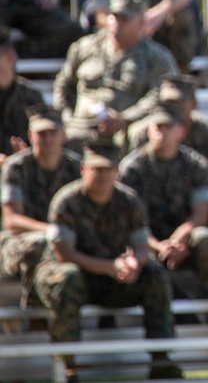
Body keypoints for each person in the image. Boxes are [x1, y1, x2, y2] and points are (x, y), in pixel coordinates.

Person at [33, 144, 182, 382]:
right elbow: (64, 254)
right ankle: (67, 366)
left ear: (117, 171)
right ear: (83, 169)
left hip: (112, 276)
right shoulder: (66, 201)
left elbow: (142, 246)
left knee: (154, 274)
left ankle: (162, 361)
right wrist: (109, 267)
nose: (102, 175)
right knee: (67, 277)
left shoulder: (129, 200)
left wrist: (134, 263)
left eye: (108, 169)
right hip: (75, 275)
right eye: (96, 169)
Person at [53, 0, 178, 155]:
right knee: (60, 140)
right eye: (114, 16)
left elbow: (159, 95)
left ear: (141, 23)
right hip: (81, 125)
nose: (117, 22)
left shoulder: (157, 58)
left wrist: (125, 119)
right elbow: (63, 85)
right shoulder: (84, 48)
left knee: (142, 136)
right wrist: (66, 117)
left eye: (125, 18)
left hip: (127, 127)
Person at [118, 105, 208, 296]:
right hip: (145, 239)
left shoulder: (196, 165)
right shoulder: (132, 169)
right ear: (148, 130)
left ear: (181, 131)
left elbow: (201, 212)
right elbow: (130, 220)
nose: (161, 133)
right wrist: (159, 246)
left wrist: (179, 238)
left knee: (204, 238)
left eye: (168, 127)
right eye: (157, 127)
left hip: (183, 240)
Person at [0, 107, 81, 306]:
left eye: (52, 133)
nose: (47, 139)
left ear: (63, 134)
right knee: (41, 243)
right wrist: (53, 231)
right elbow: (12, 221)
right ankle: (36, 309)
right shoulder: (16, 168)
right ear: (30, 135)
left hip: (66, 240)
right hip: (17, 243)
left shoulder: (76, 168)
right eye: (41, 134)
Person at [126, 74, 208, 191]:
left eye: (179, 103)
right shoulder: (145, 132)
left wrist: (203, 188)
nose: (172, 108)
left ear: (193, 104)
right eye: (167, 103)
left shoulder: (205, 130)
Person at [0, 26, 46, 163]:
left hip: (24, 170)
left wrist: (25, 155)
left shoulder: (31, 97)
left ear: (10, 57)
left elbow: (45, 137)